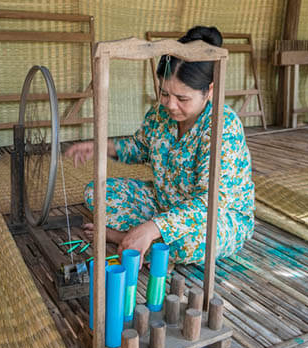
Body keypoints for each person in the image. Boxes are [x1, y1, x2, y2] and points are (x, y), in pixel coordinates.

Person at [65, 26, 255, 266]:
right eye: (164, 94)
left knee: (192, 242)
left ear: (209, 90)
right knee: (97, 193)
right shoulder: (159, 115)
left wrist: (153, 226)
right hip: (165, 202)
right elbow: (138, 147)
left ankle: (129, 238)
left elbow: (210, 202)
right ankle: (147, 241)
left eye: (182, 98)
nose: (171, 105)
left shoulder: (223, 126)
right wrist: (100, 147)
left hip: (216, 217)